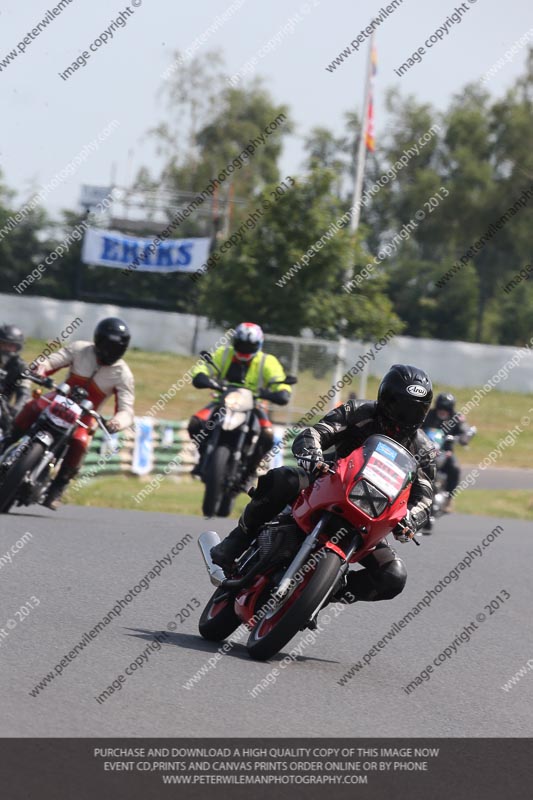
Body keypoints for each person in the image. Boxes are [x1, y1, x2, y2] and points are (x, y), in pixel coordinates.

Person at [211, 364, 436, 605]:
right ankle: (237, 540)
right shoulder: (359, 411)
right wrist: (312, 454)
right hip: (328, 479)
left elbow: (425, 496)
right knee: (282, 479)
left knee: (393, 575)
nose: (404, 416)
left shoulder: (424, 450)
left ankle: (324, 594)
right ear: (384, 397)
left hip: (371, 514)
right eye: (399, 405)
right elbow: (317, 432)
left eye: (415, 410)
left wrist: (411, 519)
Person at [5, 318, 135, 509]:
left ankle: (58, 486)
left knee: (80, 442)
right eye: (107, 345)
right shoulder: (80, 349)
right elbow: (51, 360)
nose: (110, 351)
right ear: (98, 340)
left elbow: (126, 409)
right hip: (59, 398)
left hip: (86, 414)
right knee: (34, 406)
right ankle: (8, 440)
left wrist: (117, 422)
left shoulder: (123, 374)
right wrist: (41, 368)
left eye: (116, 347)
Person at [188, 322, 292, 480]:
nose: (244, 349)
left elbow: (279, 381)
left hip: (254, 405)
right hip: (222, 401)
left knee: (268, 434)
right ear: (234, 342)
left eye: (249, 346)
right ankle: (203, 458)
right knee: (195, 423)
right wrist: (202, 377)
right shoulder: (223, 353)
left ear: (258, 345)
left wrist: (282, 391)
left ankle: (251, 469)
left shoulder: (267, 361)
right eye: (241, 344)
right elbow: (203, 368)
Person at [423, 392, 474, 504]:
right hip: (425, 451)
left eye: (446, 409)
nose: (443, 411)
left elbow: (465, 429)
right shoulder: (427, 415)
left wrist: (464, 437)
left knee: (455, 468)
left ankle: (449, 499)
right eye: (441, 408)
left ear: (451, 409)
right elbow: (417, 425)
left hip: (445, 452)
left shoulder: (456, 418)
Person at [0, 324, 31, 425]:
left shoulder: (20, 367)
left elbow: (24, 393)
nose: (7, 349)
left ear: (17, 348)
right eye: (3, 344)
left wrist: (16, 409)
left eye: (11, 346)